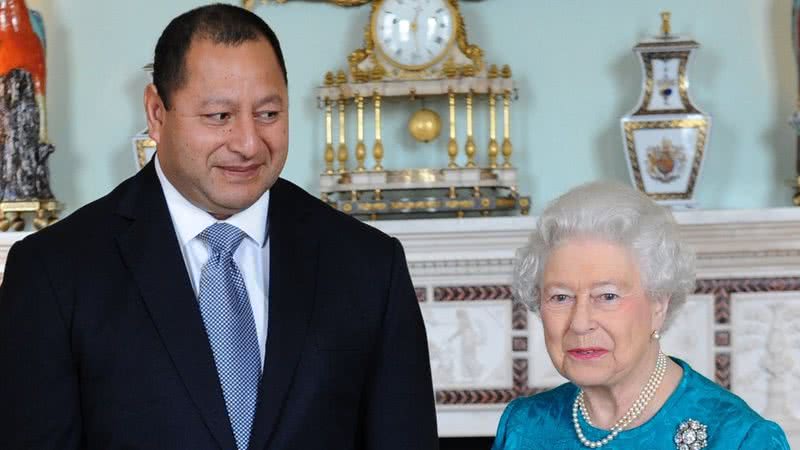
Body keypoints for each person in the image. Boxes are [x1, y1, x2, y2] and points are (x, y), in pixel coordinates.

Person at [0, 4, 438, 449]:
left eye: (268, 114)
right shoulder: (53, 272)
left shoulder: (369, 266)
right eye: (219, 117)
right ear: (156, 111)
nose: (248, 144)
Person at [492, 181, 789, 449]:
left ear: (658, 303)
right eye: (560, 297)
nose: (580, 323)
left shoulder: (740, 438)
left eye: (607, 296)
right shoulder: (524, 426)